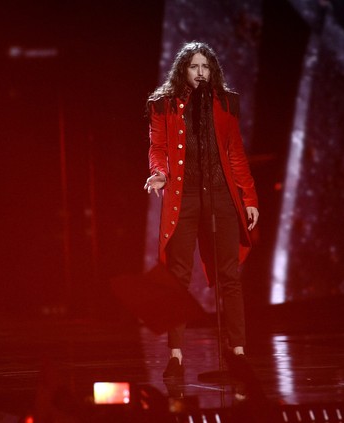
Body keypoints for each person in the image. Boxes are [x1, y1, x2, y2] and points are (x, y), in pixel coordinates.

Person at [144, 41, 259, 378]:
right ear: (184, 69)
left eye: (205, 67)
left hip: (220, 193)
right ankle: (176, 355)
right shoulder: (162, 104)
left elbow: (235, 151)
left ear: (212, 71)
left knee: (229, 275)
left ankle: (237, 353)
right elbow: (159, 146)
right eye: (194, 67)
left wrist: (249, 197)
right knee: (178, 276)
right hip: (184, 195)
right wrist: (159, 174)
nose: (200, 73)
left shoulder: (224, 102)